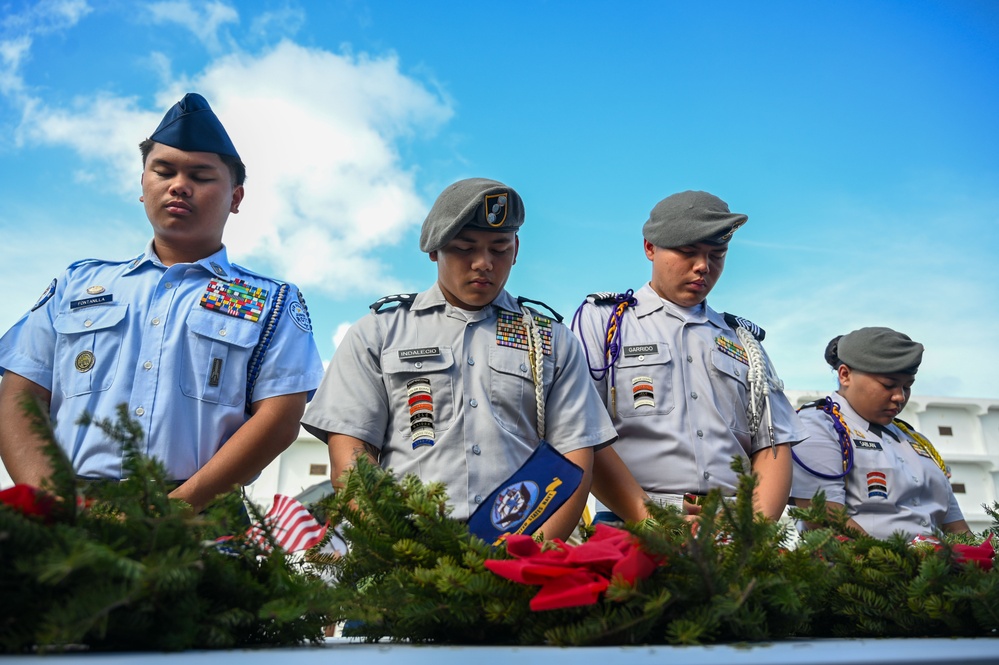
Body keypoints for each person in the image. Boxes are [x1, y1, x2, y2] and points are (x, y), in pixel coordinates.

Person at [0, 93, 324, 512]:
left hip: (202, 516)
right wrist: (55, 504)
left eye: (201, 176)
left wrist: (176, 510)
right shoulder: (77, 285)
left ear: (236, 198)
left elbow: (279, 418)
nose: (178, 186)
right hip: (70, 509)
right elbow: (20, 395)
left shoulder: (270, 300)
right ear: (142, 185)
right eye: (164, 171)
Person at [301, 178, 617, 541]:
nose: (484, 263)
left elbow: (574, 460)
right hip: (408, 544)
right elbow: (351, 453)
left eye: (499, 248)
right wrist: (396, 548)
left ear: (516, 249)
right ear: (435, 250)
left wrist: (535, 555)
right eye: (465, 248)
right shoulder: (379, 333)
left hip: (524, 543)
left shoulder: (552, 340)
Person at [571, 190, 805, 523]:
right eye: (687, 252)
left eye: (717, 255)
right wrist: (651, 521)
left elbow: (774, 445)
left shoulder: (743, 341)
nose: (703, 267)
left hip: (732, 529)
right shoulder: (604, 322)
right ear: (649, 247)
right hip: (632, 525)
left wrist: (753, 532)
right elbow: (582, 433)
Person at [790, 327, 971, 539]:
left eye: (907, 386)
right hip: (858, 569)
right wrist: (901, 563)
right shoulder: (816, 426)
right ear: (845, 375)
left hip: (934, 569)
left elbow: (955, 525)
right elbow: (822, 517)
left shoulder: (916, 440)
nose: (900, 397)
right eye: (889, 385)